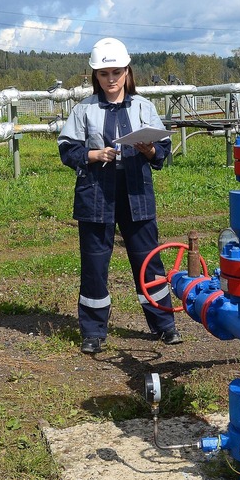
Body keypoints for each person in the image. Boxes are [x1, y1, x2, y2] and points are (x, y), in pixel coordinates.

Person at [58, 37, 181, 354]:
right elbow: (67, 149)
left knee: (148, 261)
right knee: (95, 265)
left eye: (116, 72)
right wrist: (93, 155)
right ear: (95, 77)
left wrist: (150, 148)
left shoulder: (144, 107)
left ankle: (164, 325)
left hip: (136, 194)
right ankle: (93, 332)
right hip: (96, 195)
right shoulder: (83, 110)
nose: (111, 79)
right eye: (104, 74)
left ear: (128, 72)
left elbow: (161, 152)